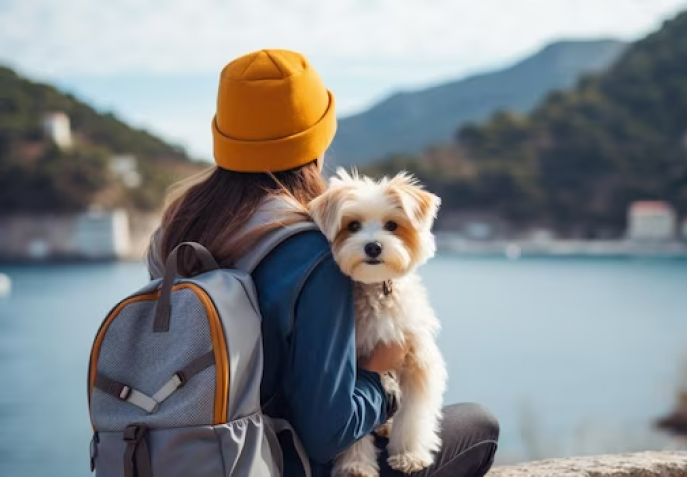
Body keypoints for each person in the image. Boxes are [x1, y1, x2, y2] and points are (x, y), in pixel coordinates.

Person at [146, 49, 499, 477]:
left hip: (187, 456)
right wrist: (376, 375)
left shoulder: (175, 232)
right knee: (478, 424)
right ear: (319, 138)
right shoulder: (313, 252)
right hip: (283, 463)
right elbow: (328, 432)